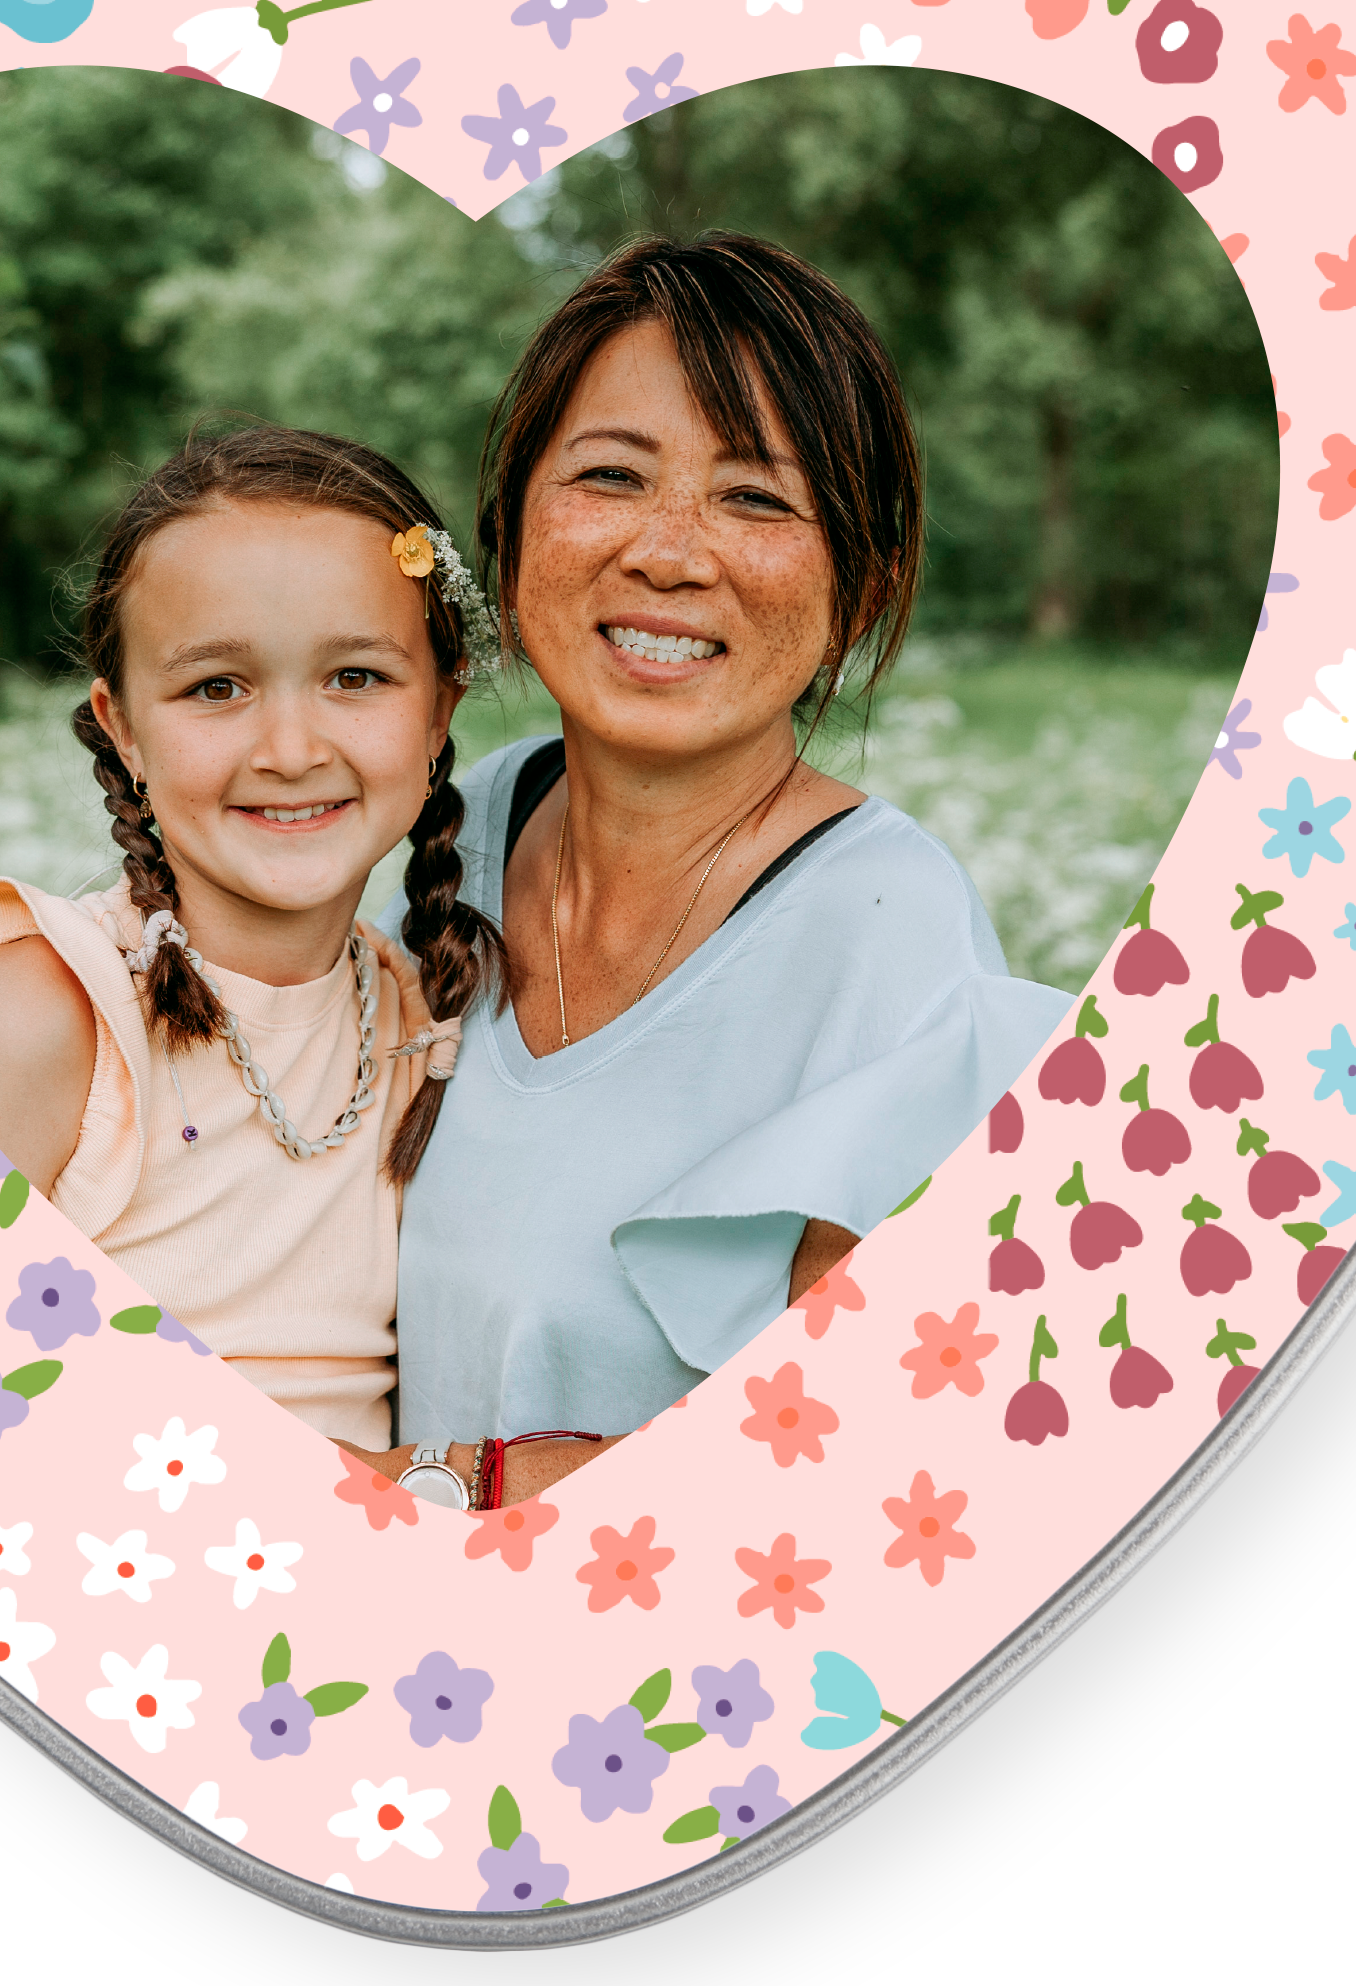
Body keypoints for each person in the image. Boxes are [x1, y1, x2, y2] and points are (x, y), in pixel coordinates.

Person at [382, 231, 1072, 1511]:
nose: (669, 551)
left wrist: (446, 1487)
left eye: (756, 499)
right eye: (609, 476)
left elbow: (874, 1492)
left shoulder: (902, 961)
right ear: (513, 520)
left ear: (863, 586)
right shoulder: (409, 845)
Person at [0, 426, 496, 1456]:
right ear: (122, 730)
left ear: (439, 710)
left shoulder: (417, 1017)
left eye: (357, 678)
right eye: (216, 688)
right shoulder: (45, 1014)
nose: (291, 750)